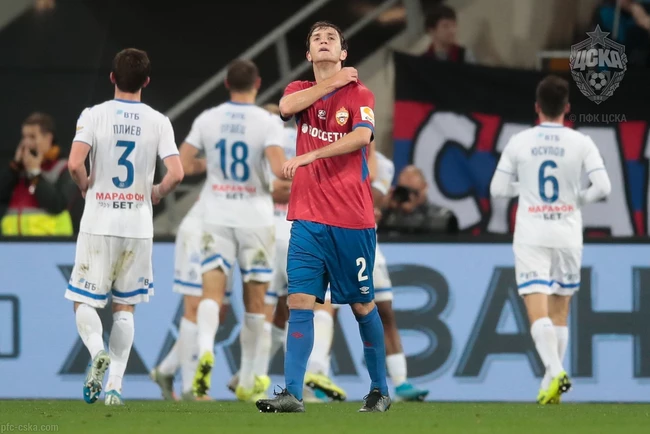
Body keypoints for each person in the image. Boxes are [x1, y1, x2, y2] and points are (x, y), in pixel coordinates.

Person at [256, 21, 390, 413]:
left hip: (352, 219)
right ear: (309, 55)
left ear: (343, 53)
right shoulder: (299, 91)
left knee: (362, 306)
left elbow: (362, 137)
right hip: (308, 217)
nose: (324, 41)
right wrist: (331, 82)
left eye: (332, 38)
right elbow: (285, 109)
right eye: (317, 39)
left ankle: (379, 390)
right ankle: (292, 393)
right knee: (299, 300)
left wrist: (310, 155)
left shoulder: (360, 93)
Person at [64, 48, 184, 406]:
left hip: (99, 221)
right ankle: (114, 388)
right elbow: (177, 173)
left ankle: (96, 351)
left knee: (83, 300)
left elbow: (74, 164)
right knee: (125, 307)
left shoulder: (94, 115)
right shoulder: (158, 121)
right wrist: (157, 192)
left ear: (112, 78)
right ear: (146, 81)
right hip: (137, 225)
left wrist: (85, 185)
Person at [490, 75, 611, 405]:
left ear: (537, 107)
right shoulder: (581, 142)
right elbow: (603, 187)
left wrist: (526, 188)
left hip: (533, 233)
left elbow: (497, 189)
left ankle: (555, 371)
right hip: (568, 232)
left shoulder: (520, 141)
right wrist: (576, 199)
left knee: (536, 308)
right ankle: (550, 384)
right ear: (567, 108)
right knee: (560, 311)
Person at [178, 59, 287, 402]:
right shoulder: (268, 121)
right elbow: (279, 169)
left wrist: (207, 164)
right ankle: (248, 379)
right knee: (256, 302)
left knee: (211, 294)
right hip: (255, 217)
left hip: (216, 214)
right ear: (258, 84)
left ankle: (205, 350)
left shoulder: (208, 119)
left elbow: (182, 164)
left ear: (226, 83)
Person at [305, 149, 429, 403]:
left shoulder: (383, 164)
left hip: (367, 242)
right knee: (326, 307)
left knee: (385, 311)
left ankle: (401, 382)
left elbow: (374, 196)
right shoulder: (326, 153)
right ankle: (317, 376)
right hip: (334, 239)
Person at [226, 103, 296, 397]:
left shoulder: (258, 143)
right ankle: (254, 377)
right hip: (283, 231)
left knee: (275, 311)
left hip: (271, 231)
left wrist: (275, 189)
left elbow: (265, 188)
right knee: (279, 310)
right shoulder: (289, 141)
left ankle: (250, 375)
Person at [0, 112, 76, 236]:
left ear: (48, 138)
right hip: (12, 242)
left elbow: (57, 205)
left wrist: (34, 172)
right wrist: (14, 167)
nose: (27, 143)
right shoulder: (18, 169)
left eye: (32, 137)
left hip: (50, 242)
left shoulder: (63, 167)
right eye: (24, 137)